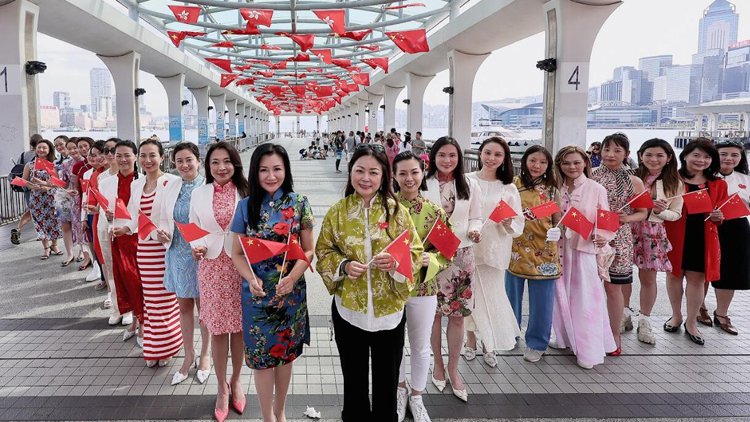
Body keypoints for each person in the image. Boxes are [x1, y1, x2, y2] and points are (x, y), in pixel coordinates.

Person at [316, 144, 423, 422]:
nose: (366, 178)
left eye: (373, 172)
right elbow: (324, 251)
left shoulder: (397, 212)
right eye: (359, 170)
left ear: (384, 176)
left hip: (389, 314)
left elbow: (416, 252)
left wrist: (397, 264)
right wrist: (343, 265)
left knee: (387, 385)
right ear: (350, 172)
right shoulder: (338, 212)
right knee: (353, 382)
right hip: (349, 312)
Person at [231, 143, 314, 422]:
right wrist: (250, 279)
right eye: (263, 170)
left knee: (285, 355)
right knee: (261, 359)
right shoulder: (244, 206)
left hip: (289, 293)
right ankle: (267, 416)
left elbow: (309, 250)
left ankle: (281, 412)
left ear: (285, 170)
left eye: (276, 169)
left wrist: (291, 278)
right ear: (254, 173)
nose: (270, 176)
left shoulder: (299, 203)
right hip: (255, 294)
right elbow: (237, 253)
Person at [393, 151, 452, 422]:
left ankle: (417, 395)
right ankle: (399, 389)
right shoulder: (385, 207)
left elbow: (447, 252)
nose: (409, 178)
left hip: (423, 289)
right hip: (390, 289)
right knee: (392, 345)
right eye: (402, 173)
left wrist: (433, 260)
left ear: (422, 174)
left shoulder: (434, 212)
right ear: (393, 175)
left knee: (420, 345)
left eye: (414, 172)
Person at [424, 136, 482, 402]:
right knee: (433, 314)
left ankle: (454, 369)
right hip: (430, 256)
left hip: (461, 255)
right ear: (433, 157)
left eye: (453, 156)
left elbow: (476, 216)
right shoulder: (423, 183)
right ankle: (437, 363)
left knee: (457, 315)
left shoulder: (470, 184)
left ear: (459, 158)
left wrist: (475, 230)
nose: (447, 161)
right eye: (442, 155)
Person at [194, 142, 249, 420]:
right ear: (208, 166)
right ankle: (221, 387)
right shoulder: (199, 193)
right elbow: (194, 228)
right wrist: (198, 245)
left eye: (226, 161)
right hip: (212, 267)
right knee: (217, 330)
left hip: (241, 265)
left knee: (238, 328)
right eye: (215, 162)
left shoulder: (247, 191)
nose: (221, 167)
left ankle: (237, 381)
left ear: (235, 164)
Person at [552, 145, 617, 369]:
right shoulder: (554, 189)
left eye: (577, 162)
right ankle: (565, 339)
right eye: (566, 163)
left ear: (585, 163)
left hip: (583, 249)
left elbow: (607, 219)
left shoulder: (596, 188)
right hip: (558, 250)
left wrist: (602, 236)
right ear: (559, 165)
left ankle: (588, 349)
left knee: (586, 299)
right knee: (560, 295)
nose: (572, 167)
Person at [463, 137, 522, 368]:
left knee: (494, 298)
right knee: (469, 298)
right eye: (487, 153)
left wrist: (509, 224)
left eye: (497, 155)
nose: (491, 158)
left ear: (504, 159)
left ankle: (490, 344)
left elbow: (518, 222)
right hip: (467, 247)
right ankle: (470, 341)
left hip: (495, 249)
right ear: (480, 154)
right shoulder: (466, 180)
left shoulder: (509, 187)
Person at [664, 138, 727, 345]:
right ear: (685, 156)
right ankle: (676, 315)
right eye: (696, 155)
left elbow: (722, 212)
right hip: (675, 233)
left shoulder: (718, 184)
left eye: (707, 157)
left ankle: (691, 322)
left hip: (703, 236)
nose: (701, 160)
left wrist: (719, 216)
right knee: (674, 276)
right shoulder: (673, 179)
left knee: (697, 280)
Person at [158, 142, 211, 386]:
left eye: (189, 159)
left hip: (201, 254)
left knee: (205, 310)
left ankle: (206, 355)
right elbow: (163, 218)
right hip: (177, 253)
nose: (184, 165)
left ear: (198, 160)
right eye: (179, 161)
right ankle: (188, 355)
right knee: (184, 308)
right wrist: (162, 233)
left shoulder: (208, 187)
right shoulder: (171, 185)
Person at [591, 133, 647, 355]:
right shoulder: (591, 176)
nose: (610, 155)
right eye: (606, 149)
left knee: (614, 288)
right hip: (592, 236)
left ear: (627, 154)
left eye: (617, 150)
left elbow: (643, 213)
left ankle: (614, 334)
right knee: (590, 287)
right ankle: (591, 332)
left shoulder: (634, 180)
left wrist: (627, 218)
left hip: (619, 238)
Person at [506, 146, 562, 363]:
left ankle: (538, 343)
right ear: (524, 161)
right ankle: (510, 334)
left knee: (543, 302)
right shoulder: (512, 185)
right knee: (511, 297)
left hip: (545, 252)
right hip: (515, 249)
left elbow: (559, 220)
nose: (537, 166)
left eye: (542, 162)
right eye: (533, 160)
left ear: (548, 165)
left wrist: (559, 231)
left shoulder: (552, 190)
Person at [628, 139, 683, 344]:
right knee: (622, 275)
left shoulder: (674, 182)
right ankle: (624, 314)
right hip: (628, 228)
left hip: (652, 233)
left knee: (648, 279)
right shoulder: (630, 177)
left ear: (669, 158)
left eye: (660, 155)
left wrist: (661, 211)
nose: (653, 159)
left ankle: (644, 320)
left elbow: (676, 214)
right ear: (640, 155)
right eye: (649, 154)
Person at [705, 141, 750, 335]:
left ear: (741, 158)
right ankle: (700, 309)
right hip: (707, 225)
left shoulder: (745, 179)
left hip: (736, 227)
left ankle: (721, 313)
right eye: (723, 154)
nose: (729, 158)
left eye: (734, 155)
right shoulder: (704, 176)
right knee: (701, 269)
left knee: (730, 272)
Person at [100, 140, 142, 337]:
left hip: (140, 239)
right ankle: (134, 320)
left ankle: (144, 323)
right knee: (124, 279)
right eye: (119, 155)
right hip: (118, 238)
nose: (123, 159)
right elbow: (105, 212)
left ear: (135, 156)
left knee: (141, 281)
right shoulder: (106, 183)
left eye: (127, 155)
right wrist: (109, 218)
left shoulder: (143, 180)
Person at [22, 139, 63, 259]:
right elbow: (24, 180)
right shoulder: (30, 165)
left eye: (44, 148)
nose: (41, 150)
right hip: (37, 198)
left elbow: (58, 181)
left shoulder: (54, 164)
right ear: (35, 149)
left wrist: (47, 187)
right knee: (40, 222)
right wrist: (32, 186)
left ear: (49, 149)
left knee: (54, 221)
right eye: (39, 147)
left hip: (52, 197)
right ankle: (46, 248)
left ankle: (54, 245)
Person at [10, 134, 42, 245]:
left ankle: (18, 229)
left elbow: (18, 167)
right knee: (37, 211)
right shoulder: (42, 154)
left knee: (32, 209)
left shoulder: (23, 155)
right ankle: (40, 232)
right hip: (38, 185)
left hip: (26, 186)